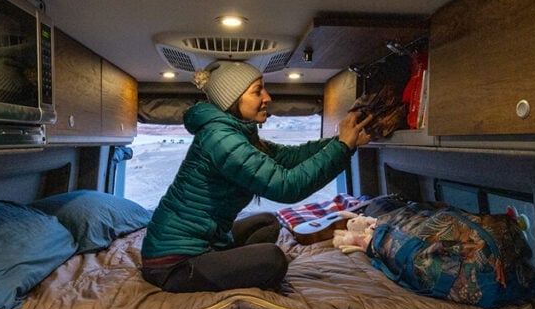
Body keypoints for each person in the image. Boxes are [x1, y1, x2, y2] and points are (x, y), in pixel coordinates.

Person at [141, 60, 372, 293]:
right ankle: (218, 265)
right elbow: (286, 187)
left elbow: (288, 157)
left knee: (267, 223)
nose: (267, 97)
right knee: (273, 259)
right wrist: (342, 148)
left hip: (203, 242)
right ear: (233, 100)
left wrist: (343, 140)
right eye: (257, 91)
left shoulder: (232, 133)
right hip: (174, 263)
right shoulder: (221, 139)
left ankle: (222, 261)